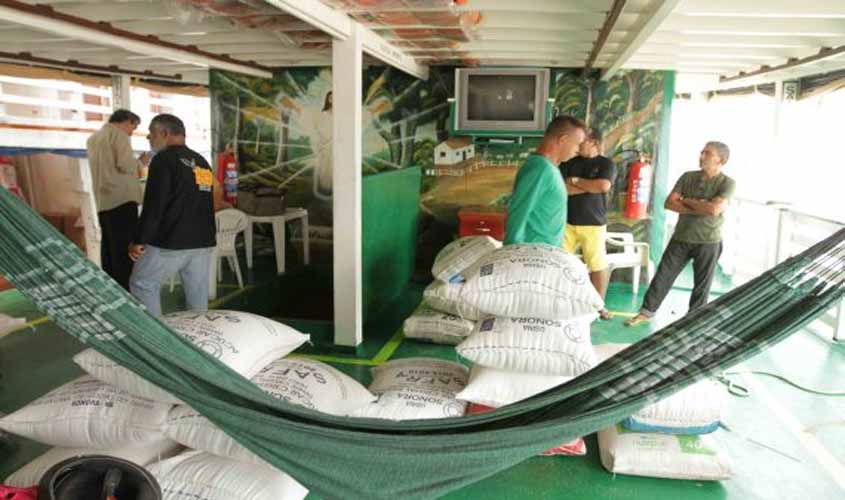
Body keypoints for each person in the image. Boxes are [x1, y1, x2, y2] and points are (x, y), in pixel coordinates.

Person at [624, 141, 735, 326]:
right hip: (681, 237)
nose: (702, 156)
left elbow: (714, 210)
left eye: (707, 153)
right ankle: (646, 312)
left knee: (702, 284)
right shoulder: (688, 177)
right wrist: (701, 205)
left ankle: (694, 321)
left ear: (721, 160)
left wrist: (686, 201)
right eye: (702, 152)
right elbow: (669, 203)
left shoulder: (727, 183)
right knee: (663, 275)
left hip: (709, 241)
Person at [128, 114, 216, 317]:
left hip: (171, 241)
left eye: (151, 134)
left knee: (142, 283)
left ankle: (154, 335)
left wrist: (140, 239)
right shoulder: (201, 161)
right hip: (202, 241)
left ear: (164, 133)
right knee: (197, 296)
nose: (149, 138)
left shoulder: (163, 160)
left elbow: (155, 204)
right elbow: (203, 200)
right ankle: (200, 332)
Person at [86, 109, 150, 290]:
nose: (131, 133)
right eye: (133, 127)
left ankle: (112, 288)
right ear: (127, 121)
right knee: (125, 250)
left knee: (108, 249)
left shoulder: (93, 139)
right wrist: (141, 162)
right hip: (122, 200)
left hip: (103, 202)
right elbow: (125, 165)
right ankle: (126, 289)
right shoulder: (119, 136)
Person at [560, 127, 616, 320]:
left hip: (594, 223)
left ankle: (599, 305)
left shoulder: (606, 163)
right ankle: (562, 300)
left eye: (582, 140)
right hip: (566, 222)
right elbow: (561, 188)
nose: (578, 144)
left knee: (597, 264)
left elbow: (603, 186)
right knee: (560, 262)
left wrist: (575, 181)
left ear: (594, 142)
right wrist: (590, 187)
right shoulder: (569, 162)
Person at [504, 115, 586, 246]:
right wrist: (512, 252)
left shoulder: (549, 168)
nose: (579, 150)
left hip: (547, 252)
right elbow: (518, 213)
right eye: (578, 144)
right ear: (563, 139)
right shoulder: (541, 168)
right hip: (534, 253)